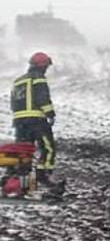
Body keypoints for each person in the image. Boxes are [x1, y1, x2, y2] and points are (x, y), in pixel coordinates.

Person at [10, 52, 60, 191]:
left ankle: (21, 180)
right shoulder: (39, 78)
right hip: (36, 120)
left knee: (24, 151)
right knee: (48, 148)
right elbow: (42, 97)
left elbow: (13, 102)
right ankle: (43, 176)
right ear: (42, 66)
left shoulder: (18, 81)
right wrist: (50, 113)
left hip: (19, 121)